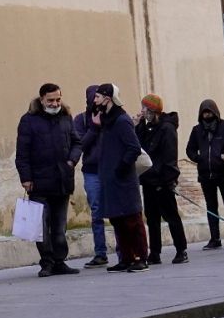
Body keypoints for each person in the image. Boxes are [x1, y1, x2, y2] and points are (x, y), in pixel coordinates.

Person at [15, 83, 81, 277]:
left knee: (59, 226)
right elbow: (22, 153)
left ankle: (60, 261)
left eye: (58, 99)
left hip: (62, 180)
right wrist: (26, 178)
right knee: (41, 226)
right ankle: (47, 262)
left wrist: (71, 160)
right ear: (42, 99)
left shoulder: (66, 117)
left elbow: (77, 142)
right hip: (39, 182)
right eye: (51, 100)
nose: (55, 103)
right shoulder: (29, 121)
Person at [82, 84, 149, 273]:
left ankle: (140, 258)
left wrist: (120, 168)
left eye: (97, 97)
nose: (94, 101)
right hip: (109, 180)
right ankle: (126, 258)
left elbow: (133, 148)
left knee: (132, 220)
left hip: (123, 180)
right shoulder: (105, 121)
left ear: (108, 98)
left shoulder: (121, 120)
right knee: (117, 220)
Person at [137, 95, 188, 265]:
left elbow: (169, 156)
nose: (142, 111)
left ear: (152, 110)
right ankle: (155, 252)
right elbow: (141, 148)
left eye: (145, 108)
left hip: (162, 180)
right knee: (152, 218)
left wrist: (169, 179)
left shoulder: (167, 128)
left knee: (171, 216)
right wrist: (138, 126)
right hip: (149, 179)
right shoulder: (148, 127)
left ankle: (181, 250)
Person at [185, 100, 224, 249]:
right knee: (211, 207)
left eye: (209, 112)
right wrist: (198, 158)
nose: (206, 115)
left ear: (215, 113)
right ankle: (215, 239)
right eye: (204, 113)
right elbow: (190, 149)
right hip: (205, 175)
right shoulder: (197, 130)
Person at [71, 85, 113, 269]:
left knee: (117, 211)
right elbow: (80, 145)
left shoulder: (113, 117)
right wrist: (95, 128)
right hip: (92, 171)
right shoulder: (81, 120)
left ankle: (124, 251)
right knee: (96, 212)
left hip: (111, 170)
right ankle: (100, 253)